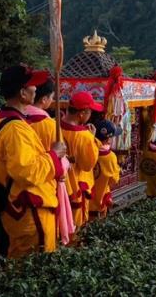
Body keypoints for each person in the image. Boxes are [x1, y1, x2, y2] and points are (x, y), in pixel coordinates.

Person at [0, 65, 66, 259]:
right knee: (34, 265)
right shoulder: (16, 129)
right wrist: (54, 155)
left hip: (21, 205)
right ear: (22, 92)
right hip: (30, 207)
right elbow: (27, 172)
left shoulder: (3, 119)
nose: (36, 89)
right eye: (32, 85)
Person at [61, 91, 102, 233]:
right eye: (90, 112)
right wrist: (93, 139)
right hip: (76, 185)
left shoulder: (54, 125)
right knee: (74, 226)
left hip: (58, 182)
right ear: (82, 113)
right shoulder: (85, 136)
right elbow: (87, 165)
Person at [89, 121, 120, 220]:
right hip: (100, 201)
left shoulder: (88, 150)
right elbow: (114, 180)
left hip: (85, 201)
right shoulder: (110, 157)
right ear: (108, 139)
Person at [24, 77, 57, 150]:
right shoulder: (50, 124)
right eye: (52, 97)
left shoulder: (18, 117)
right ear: (44, 99)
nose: (52, 100)